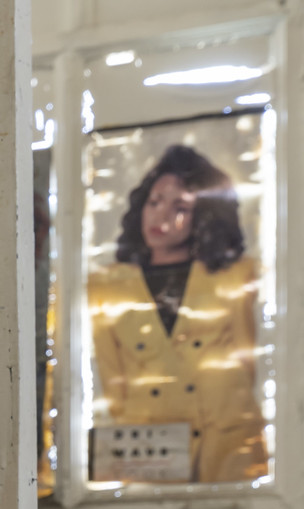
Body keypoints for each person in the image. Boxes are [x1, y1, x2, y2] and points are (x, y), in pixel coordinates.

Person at [89, 143, 266, 483]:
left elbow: (250, 360)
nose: (161, 216)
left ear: (205, 214)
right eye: (154, 202)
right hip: (149, 449)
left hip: (227, 445)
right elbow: (112, 379)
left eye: (180, 206)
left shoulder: (238, 274)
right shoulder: (104, 286)